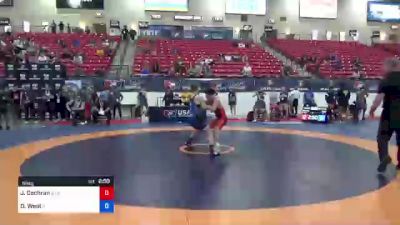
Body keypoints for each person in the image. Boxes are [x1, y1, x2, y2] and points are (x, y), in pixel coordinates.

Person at [370, 58, 400, 172]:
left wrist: (372, 110)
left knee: (382, 138)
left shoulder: (386, 80)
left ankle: (384, 157)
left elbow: (379, 98)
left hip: (389, 113)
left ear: (390, 66)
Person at [205, 88, 228, 157]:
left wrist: (205, 105)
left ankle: (217, 151)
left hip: (222, 118)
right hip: (218, 118)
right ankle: (211, 145)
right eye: (206, 96)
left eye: (207, 96)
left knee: (216, 131)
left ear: (211, 95)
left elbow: (213, 109)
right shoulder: (209, 100)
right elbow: (202, 105)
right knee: (208, 128)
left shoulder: (216, 100)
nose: (206, 97)